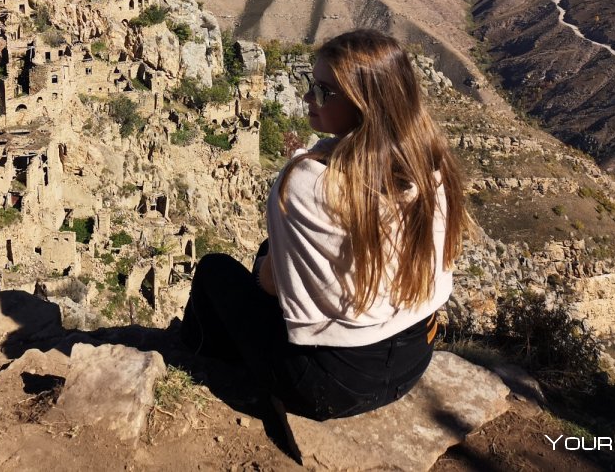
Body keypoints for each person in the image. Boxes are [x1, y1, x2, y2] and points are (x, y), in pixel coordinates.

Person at [181, 29, 466, 420]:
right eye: (311, 85)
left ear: (364, 102)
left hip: (331, 384)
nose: (307, 98)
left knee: (216, 270)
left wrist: (271, 267)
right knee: (269, 251)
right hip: (414, 357)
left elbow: (270, 285)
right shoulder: (431, 164)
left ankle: (197, 365)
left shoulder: (306, 181)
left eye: (324, 91)